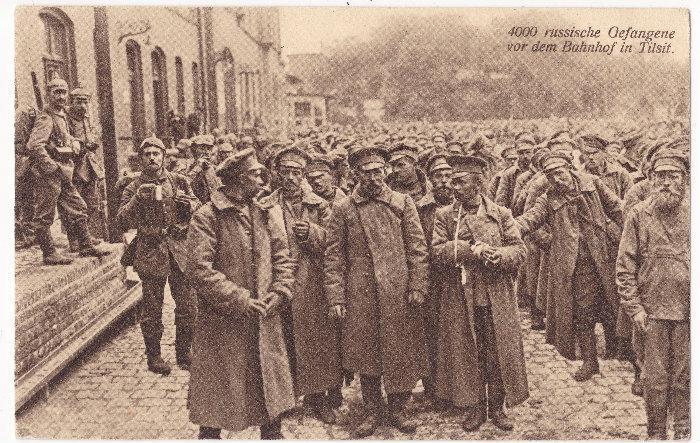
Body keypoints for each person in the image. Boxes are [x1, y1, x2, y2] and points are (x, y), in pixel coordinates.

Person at [186, 148, 296, 440]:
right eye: (254, 173)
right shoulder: (207, 216)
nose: (262, 178)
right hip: (223, 323)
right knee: (218, 397)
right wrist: (241, 300)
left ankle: (272, 434)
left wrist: (281, 290)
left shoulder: (264, 212)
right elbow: (199, 270)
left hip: (264, 317)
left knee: (268, 392)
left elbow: (282, 255)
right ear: (236, 178)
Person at [324, 144, 429, 438]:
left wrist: (418, 284)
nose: (374, 178)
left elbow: (417, 248)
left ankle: (396, 408)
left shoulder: (402, 202)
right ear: (357, 175)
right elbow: (334, 256)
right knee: (367, 353)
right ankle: (372, 410)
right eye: (367, 173)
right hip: (361, 294)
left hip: (398, 291)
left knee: (400, 351)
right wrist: (336, 296)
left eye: (379, 171)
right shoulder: (344, 208)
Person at [431, 154, 528, 432]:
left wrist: (500, 255)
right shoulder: (445, 215)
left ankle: (497, 406)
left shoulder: (501, 214)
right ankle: (475, 406)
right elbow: (437, 252)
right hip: (463, 296)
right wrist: (468, 249)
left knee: (497, 350)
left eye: (460, 181)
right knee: (469, 351)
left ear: (477, 184)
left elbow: (519, 249)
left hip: (495, 295)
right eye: (452, 181)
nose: (453, 187)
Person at [516, 151, 624, 382]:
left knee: (612, 306)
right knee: (583, 313)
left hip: (604, 259)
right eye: (550, 176)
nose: (556, 180)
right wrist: (546, 241)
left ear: (569, 168)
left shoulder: (593, 184)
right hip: (577, 266)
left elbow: (617, 208)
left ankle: (622, 352)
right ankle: (590, 361)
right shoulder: (548, 198)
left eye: (558, 173)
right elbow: (530, 220)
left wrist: (626, 237)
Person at [260, 146, 343, 424]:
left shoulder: (319, 205)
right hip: (276, 283)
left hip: (311, 284)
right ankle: (284, 397)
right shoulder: (265, 205)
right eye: (286, 172)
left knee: (316, 342)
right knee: (282, 339)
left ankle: (318, 398)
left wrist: (313, 234)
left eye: (297, 172)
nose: (291, 177)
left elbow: (335, 244)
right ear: (277, 174)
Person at [616, 148, 689, 440]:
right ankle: (656, 431)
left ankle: (685, 429)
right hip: (652, 314)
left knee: (686, 376)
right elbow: (624, 267)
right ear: (650, 179)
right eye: (660, 177)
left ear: (684, 180)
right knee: (654, 379)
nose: (666, 183)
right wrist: (635, 310)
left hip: (688, 312)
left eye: (673, 177)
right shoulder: (638, 215)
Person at [116, 136, 200, 374]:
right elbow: (121, 221)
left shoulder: (179, 180)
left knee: (187, 305)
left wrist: (190, 205)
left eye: (156, 153)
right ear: (141, 159)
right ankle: (154, 357)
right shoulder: (133, 186)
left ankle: (184, 352)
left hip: (179, 251)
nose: (152, 158)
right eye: (147, 154)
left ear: (164, 156)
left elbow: (200, 207)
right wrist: (136, 200)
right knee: (152, 308)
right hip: (150, 251)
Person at [25, 76, 109, 265]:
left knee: (79, 207)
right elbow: (34, 145)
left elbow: (63, 136)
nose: (61, 96)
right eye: (57, 92)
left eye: (63, 92)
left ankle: (86, 245)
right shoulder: (46, 116)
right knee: (44, 215)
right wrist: (51, 167)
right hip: (48, 175)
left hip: (63, 172)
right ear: (49, 94)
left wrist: (75, 142)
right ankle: (49, 253)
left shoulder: (60, 114)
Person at [415, 153, 453, 402]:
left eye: (448, 176)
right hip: (431, 276)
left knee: (455, 331)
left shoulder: (464, 203)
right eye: (438, 176)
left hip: (455, 277)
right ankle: (432, 387)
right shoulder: (420, 208)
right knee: (430, 332)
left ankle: (454, 385)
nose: (444, 181)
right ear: (430, 180)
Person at [66, 87, 106, 243]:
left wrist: (94, 139)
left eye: (85, 102)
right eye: (79, 102)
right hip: (74, 167)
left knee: (92, 204)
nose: (83, 106)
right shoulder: (67, 118)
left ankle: (85, 235)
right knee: (75, 205)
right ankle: (74, 239)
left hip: (90, 166)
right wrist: (80, 144)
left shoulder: (87, 118)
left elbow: (94, 134)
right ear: (72, 102)